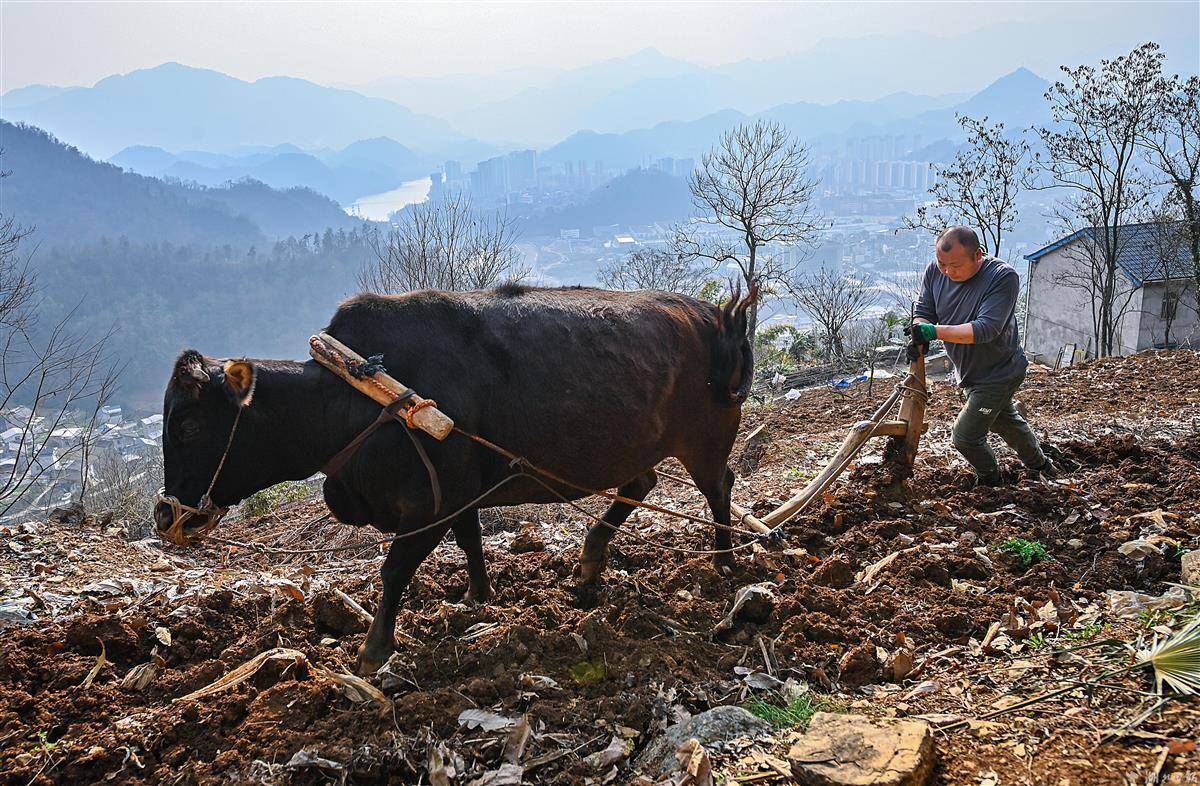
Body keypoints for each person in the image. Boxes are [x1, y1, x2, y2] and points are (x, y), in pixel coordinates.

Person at [906, 226, 1057, 487]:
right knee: (1004, 421)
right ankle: (1041, 465)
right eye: (942, 264)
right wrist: (919, 330)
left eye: (955, 266)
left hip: (999, 371)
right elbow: (924, 310)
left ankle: (990, 479)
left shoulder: (1002, 277)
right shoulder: (936, 271)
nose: (947, 272)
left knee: (965, 436)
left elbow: (986, 329)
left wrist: (934, 332)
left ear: (977, 255)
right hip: (969, 371)